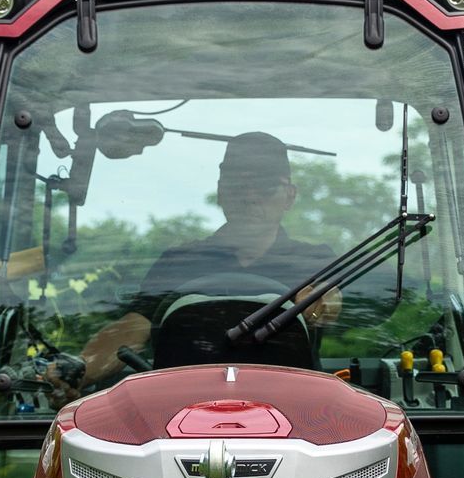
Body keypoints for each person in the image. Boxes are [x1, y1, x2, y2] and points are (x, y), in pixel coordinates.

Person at [75, 130, 340, 383]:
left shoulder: (316, 263)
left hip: (303, 414)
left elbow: (377, 296)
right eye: (237, 186)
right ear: (221, 192)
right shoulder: (180, 261)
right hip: (178, 414)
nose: (249, 197)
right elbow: (133, 327)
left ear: (289, 196)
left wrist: (333, 297)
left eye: (265, 187)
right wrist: (77, 371)